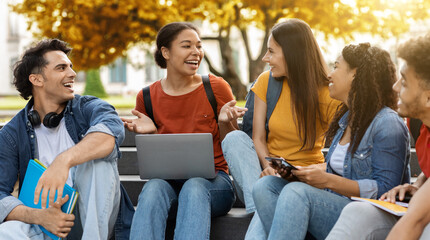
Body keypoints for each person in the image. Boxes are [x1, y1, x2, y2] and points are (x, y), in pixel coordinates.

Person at [252, 43, 410, 240]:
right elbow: (339, 170)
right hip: (336, 205)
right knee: (265, 186)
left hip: (366, 216)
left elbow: (386, 190)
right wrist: (299, 173)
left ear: (355, 74)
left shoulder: (387, 123)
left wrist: (329, 180)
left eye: (336, 67)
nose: (330, 75)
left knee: (297, 193)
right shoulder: (346, 119)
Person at [122, 22, 246, 240]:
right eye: (187, 46)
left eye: (199, 46)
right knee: (152, 189)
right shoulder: (147, 97)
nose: (196, 52)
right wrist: (150, 135)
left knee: (195, 186)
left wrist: (225, 122)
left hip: (214, 185)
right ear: (166, 52)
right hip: (168, 187)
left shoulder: (215, 87)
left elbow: (232, 148)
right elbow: (156, 161)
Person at [221, 19, 340, 239]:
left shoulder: (328, 93)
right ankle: (264, 203)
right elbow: (257, 137)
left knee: (260, 216)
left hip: (304, 179)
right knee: (235, 139)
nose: (266, 58)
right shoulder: (267, 82)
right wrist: (268, 166)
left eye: (271, 52)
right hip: (261, 174)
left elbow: (342, 151)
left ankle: (264, 207)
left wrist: (314, 172)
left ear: (293, 54)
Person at [0, 39, 125, 239]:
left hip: (93, 220)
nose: (72, 74)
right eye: (61, 68)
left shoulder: (88, 107)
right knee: (5, 233)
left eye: (70, 67)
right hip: (46, 221)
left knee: (97, 161)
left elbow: (110, 132)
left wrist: (63, 161)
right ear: (37, 80)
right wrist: (39, 216)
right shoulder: (12, 134)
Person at [326, 34, 430, 240]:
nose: (395, 87)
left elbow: (415, 221)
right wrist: (418, 184)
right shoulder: (418, 124)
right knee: (357, 212)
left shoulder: (387, 122)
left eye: (406, 83)